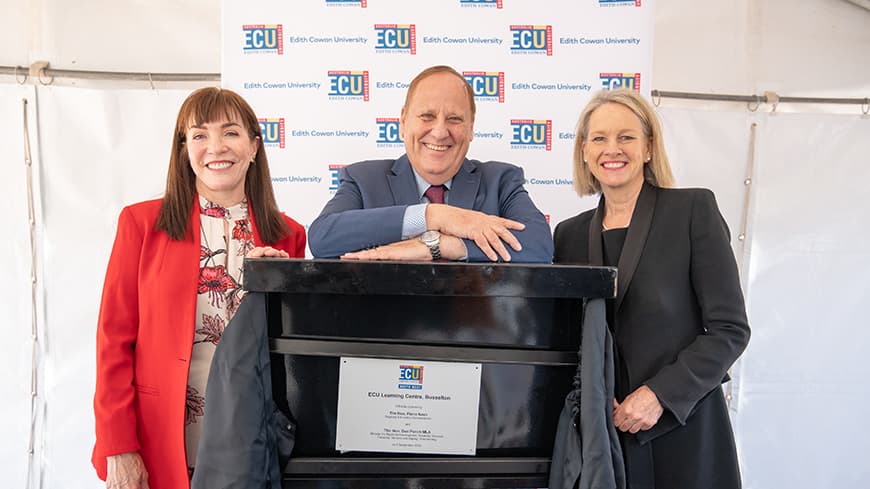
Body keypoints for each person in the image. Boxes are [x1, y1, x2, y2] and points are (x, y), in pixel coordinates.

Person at [91, 87, 306, 489]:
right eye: (200, 135)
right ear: (184, 148)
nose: (216, 147)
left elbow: (292, 356)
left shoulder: (288, 236)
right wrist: (118, 445)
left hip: (251, 438)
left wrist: (283, 285)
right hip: (162, 436)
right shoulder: (140, 224)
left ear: (254, 146)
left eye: (231, 133)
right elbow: (113, 341)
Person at [552, 89, 750, 489]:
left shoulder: (693, 211)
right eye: (600, 138)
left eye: (626, 137)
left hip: (682, 430)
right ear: (585, 152)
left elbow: (730, 331)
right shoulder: (567, 235)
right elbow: (568, 335)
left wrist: (658, 395)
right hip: (604, 437)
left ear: (648, 148)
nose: (613, 149)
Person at [308, 65, 553, 263]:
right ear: (403, 122)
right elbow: (323, 238)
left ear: (470, 129)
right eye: (427, 116)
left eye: (454, 119)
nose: (439, 132)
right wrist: (433, 216)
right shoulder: (363, 179)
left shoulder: (501, 182)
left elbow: (539, 244)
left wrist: (441, 246)